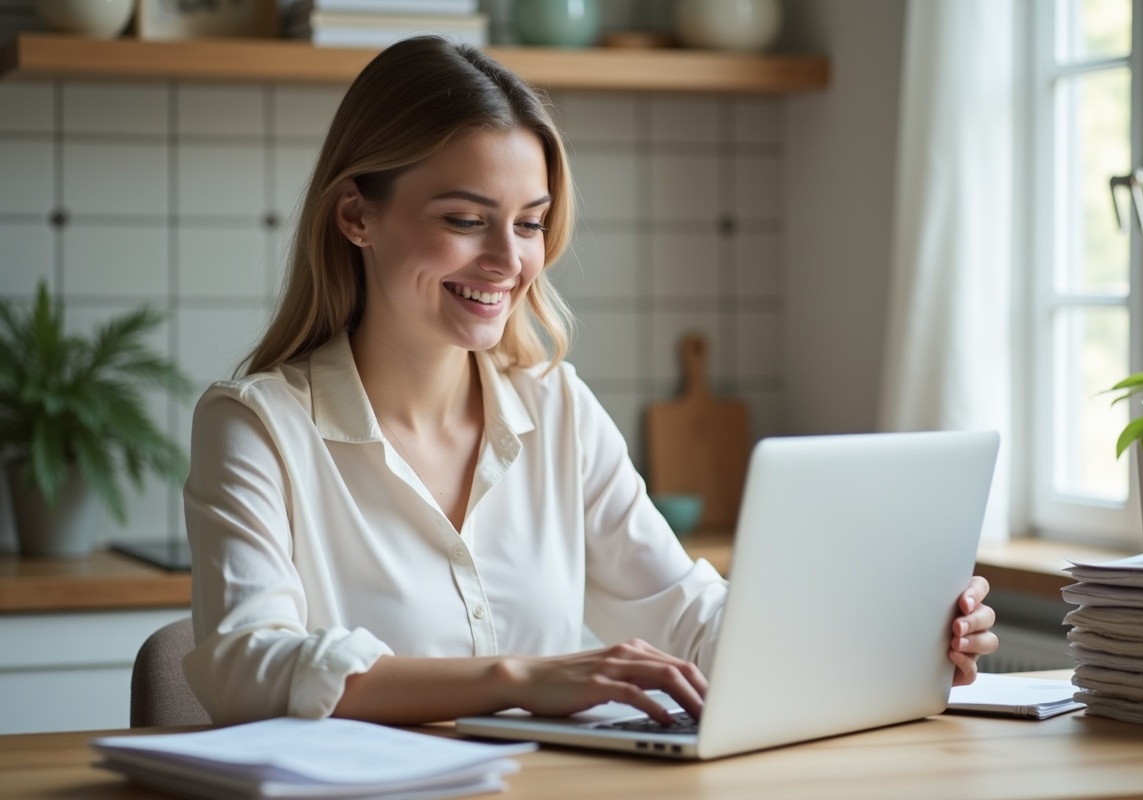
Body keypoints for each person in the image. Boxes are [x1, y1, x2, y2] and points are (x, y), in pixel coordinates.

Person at [182, 38, 998, 727]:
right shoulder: (256, 427)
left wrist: (894, 638)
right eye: (466, 220)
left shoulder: (557, 409)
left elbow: (687, 618)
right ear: (357, 216)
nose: (509, 262)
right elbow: (245, 667)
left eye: (530, 223)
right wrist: (521, 677)